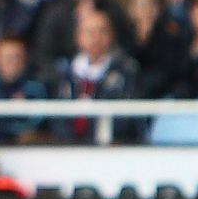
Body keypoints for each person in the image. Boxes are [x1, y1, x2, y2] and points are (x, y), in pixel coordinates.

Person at [49, 8, 142, 144]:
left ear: (112, 35)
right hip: (68, 150)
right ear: (78, 36)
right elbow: (56, 116)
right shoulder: (63, 71)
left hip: (112, 150)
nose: (96, 38)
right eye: (90, 32)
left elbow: (126, 119)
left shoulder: (127, 70)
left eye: (102, 31)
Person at [0, 35, 50, 143]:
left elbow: (35, 125)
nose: (13, 62)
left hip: (27, 149)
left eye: (17, 57)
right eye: (7, 57)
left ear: (26, 60)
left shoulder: (35, 89)